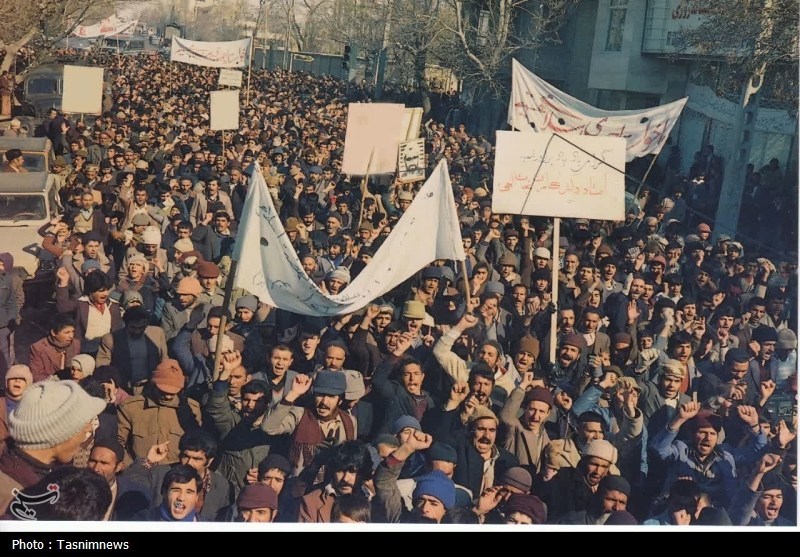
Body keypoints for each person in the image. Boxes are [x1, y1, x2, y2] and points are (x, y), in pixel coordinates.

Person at [0, 381, 106, 513]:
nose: (89, 428)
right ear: (59, 432)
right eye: (83, 422)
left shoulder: (47, 478)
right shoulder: (13, 497)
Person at [117, 359, 203, 466]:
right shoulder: (131, 407)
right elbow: (118, 443)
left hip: (176, 474)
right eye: (163, 391)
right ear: (153, 384)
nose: (167, 396)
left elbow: (196, 446)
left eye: (172, 393)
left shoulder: (191, 409)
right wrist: (133, 467)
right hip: (141, 471)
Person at [0, 365, 32, 442]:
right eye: (13, 378)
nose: (17, 380)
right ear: (7, 383)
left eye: (22, 379)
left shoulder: (34, 407)